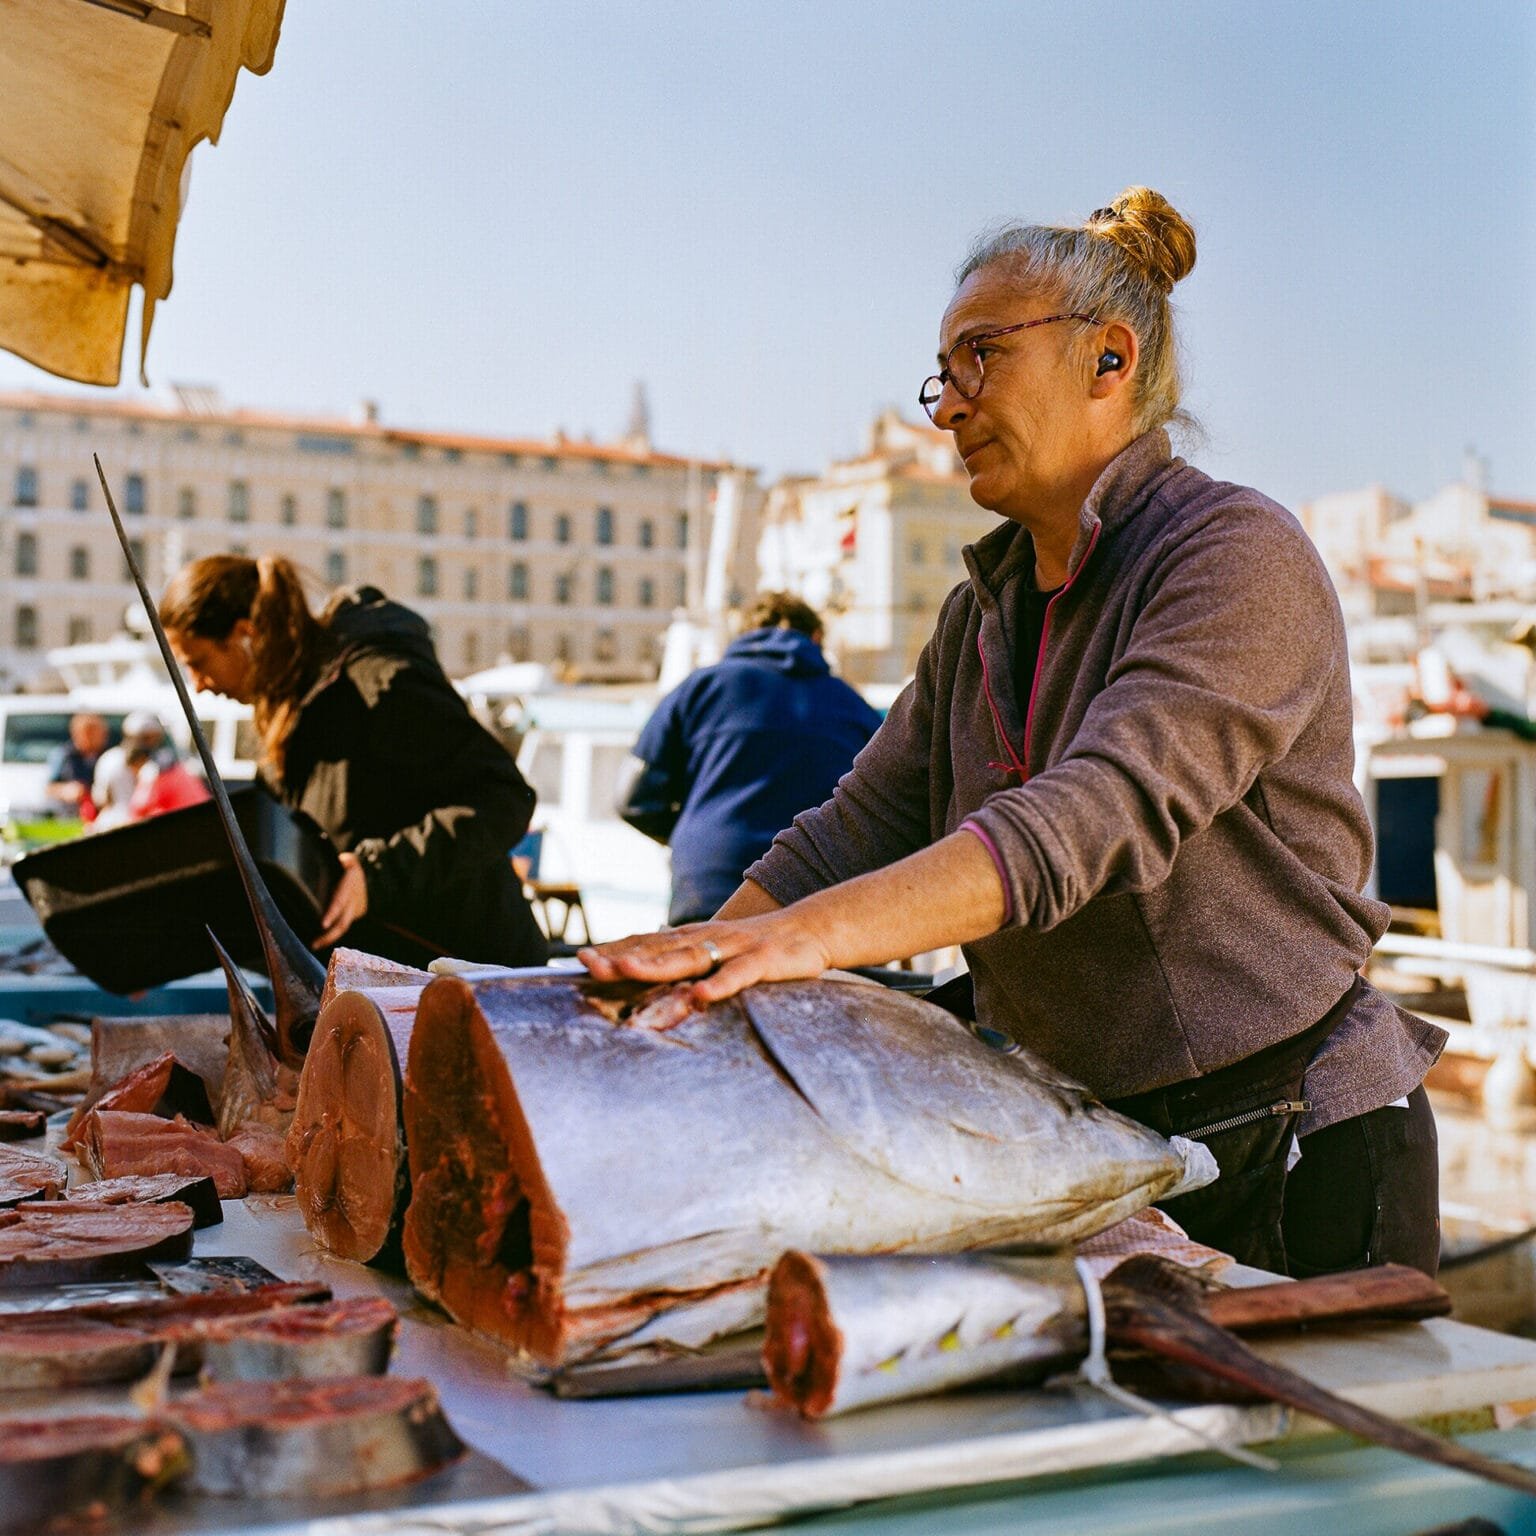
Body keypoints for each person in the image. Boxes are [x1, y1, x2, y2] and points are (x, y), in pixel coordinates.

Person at [582, 186, 1446, 1278]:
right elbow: (856, 827)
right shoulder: (981, 615)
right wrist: (694, 962)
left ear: (1110, 362)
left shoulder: (1236, 556)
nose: (947, 406)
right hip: (1085, 1139)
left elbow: (1096, 813)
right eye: (944, 373)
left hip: (1288, 1146)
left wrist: (794, 945)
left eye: (980, 357)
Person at [158, 555, 548, 969]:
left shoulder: (379, 683)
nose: (198, 685)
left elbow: (504, 798)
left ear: (244, 635)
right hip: (382, 988)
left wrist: (374, 874)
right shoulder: (288, 715)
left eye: (197, 663)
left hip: (475, 978)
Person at [619, 592, 882, 925]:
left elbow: (631, 799)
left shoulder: (700, 688)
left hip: (709, 887)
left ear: (744, 634)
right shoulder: (852, 705)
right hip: (816, 897)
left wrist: (697, 833)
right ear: (816, 638)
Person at [45, 712, 108, 819]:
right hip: (70, 816)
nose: (94, 738)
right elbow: (49, 788)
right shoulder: (63, 755)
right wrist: (65, 790)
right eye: (88, 733)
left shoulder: (108, 756)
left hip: (100, 817)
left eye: (98, 733)